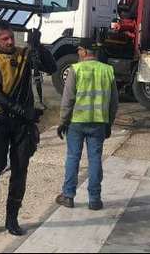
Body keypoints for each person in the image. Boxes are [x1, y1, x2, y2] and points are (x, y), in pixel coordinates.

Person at [0, 20, 56, 236]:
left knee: (20, 170)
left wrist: (39, 47)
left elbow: (52, 67)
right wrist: (22, 111)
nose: (10, 41)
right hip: (0, 120)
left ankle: (12, 219)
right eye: (5, 39)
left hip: (23, 126)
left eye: (11, 37)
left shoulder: (24, 54)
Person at [55, 40, 118, 211]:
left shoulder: (75, 69)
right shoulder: (107, 70)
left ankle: (68, 196)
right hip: (98, 123)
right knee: (95, 159)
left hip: (76, 122)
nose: (78, 53)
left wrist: (62, 122)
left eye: (79, 50)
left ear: (83, 51)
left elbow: (67, 100)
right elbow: (114, 103)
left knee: (73, 158)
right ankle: (95, 199)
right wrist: (109, 123)